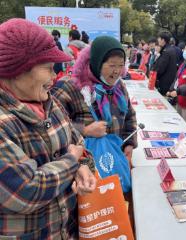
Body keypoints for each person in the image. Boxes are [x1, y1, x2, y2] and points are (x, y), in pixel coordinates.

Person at [0, 18, 96, 239]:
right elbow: (25, 190)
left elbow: (77, 143)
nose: (54, 77)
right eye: (48, 68)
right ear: (16, 70)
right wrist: (72, 162)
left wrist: (82, 166)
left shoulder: (48, 102)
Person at [51, 36, 137, 165]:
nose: (117, 71)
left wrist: (129, 143)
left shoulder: (118, 86)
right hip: (83, 166)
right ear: (96, 62)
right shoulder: (70, 87)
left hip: (114, 158)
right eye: (112, 65)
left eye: (121, 65)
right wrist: (84, 130)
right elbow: (50, 128)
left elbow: (130, 116)